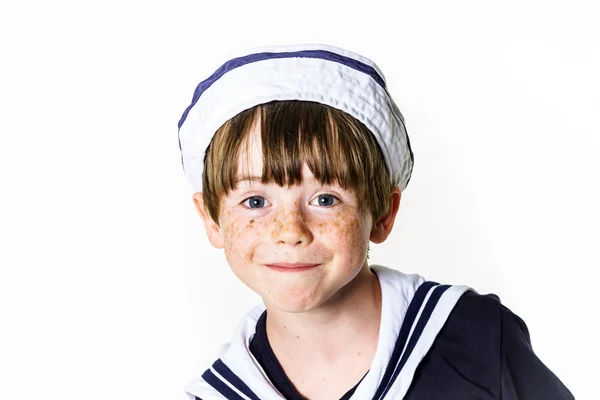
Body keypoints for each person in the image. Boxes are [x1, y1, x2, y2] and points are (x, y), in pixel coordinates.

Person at [178, 44, 574, 400]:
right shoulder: (214, 393)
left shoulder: (474, 337)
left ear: (383, 213)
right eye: (255, 201)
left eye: (325, 199)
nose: (289, 232)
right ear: (212, 220)